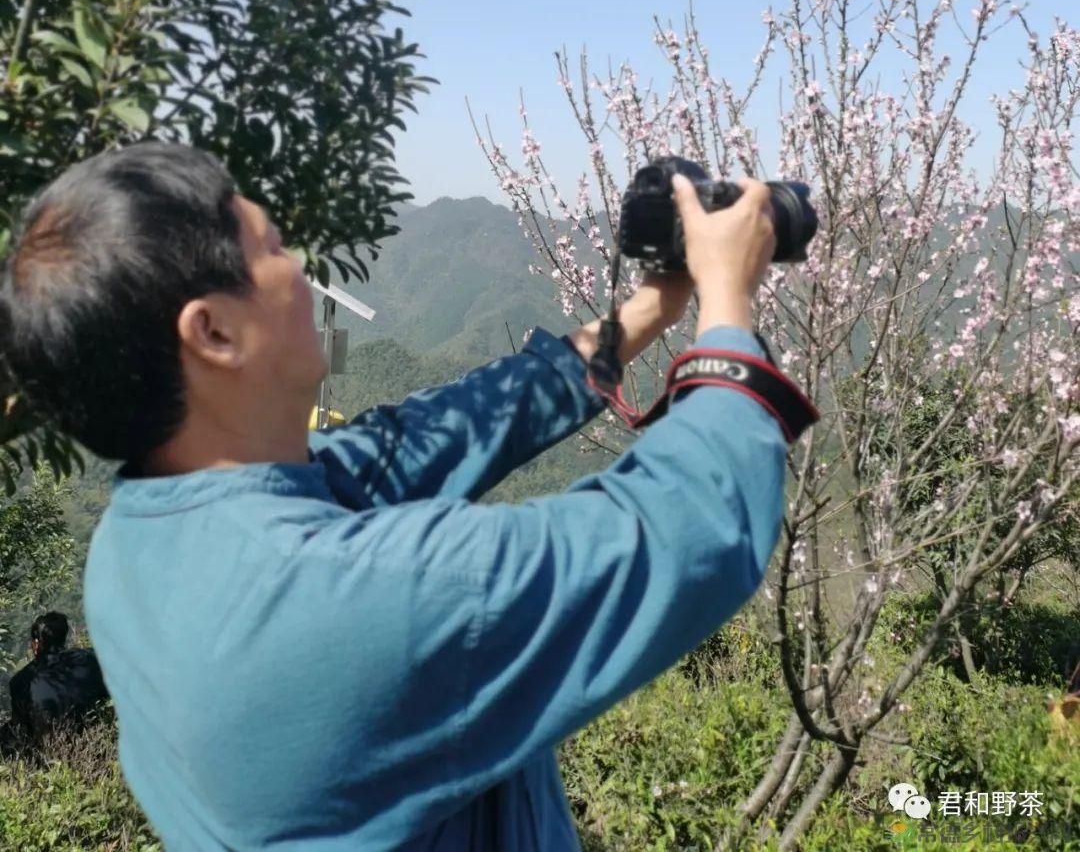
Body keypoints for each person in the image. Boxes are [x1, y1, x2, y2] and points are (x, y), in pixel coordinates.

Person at [0, 141, 819, 850]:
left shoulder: (141, 535)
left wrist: (648, 310)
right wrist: (727, 304)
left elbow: (430, 435)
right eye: (275, 247)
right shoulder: (346, 605)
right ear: (212, 331)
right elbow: (689, 527)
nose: (301, 269)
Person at [5, 611, 109, 743]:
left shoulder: (20, 681)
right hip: (91, 741)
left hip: (45, 751)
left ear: (36, 643)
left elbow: (21, 729)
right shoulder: (88, 659)